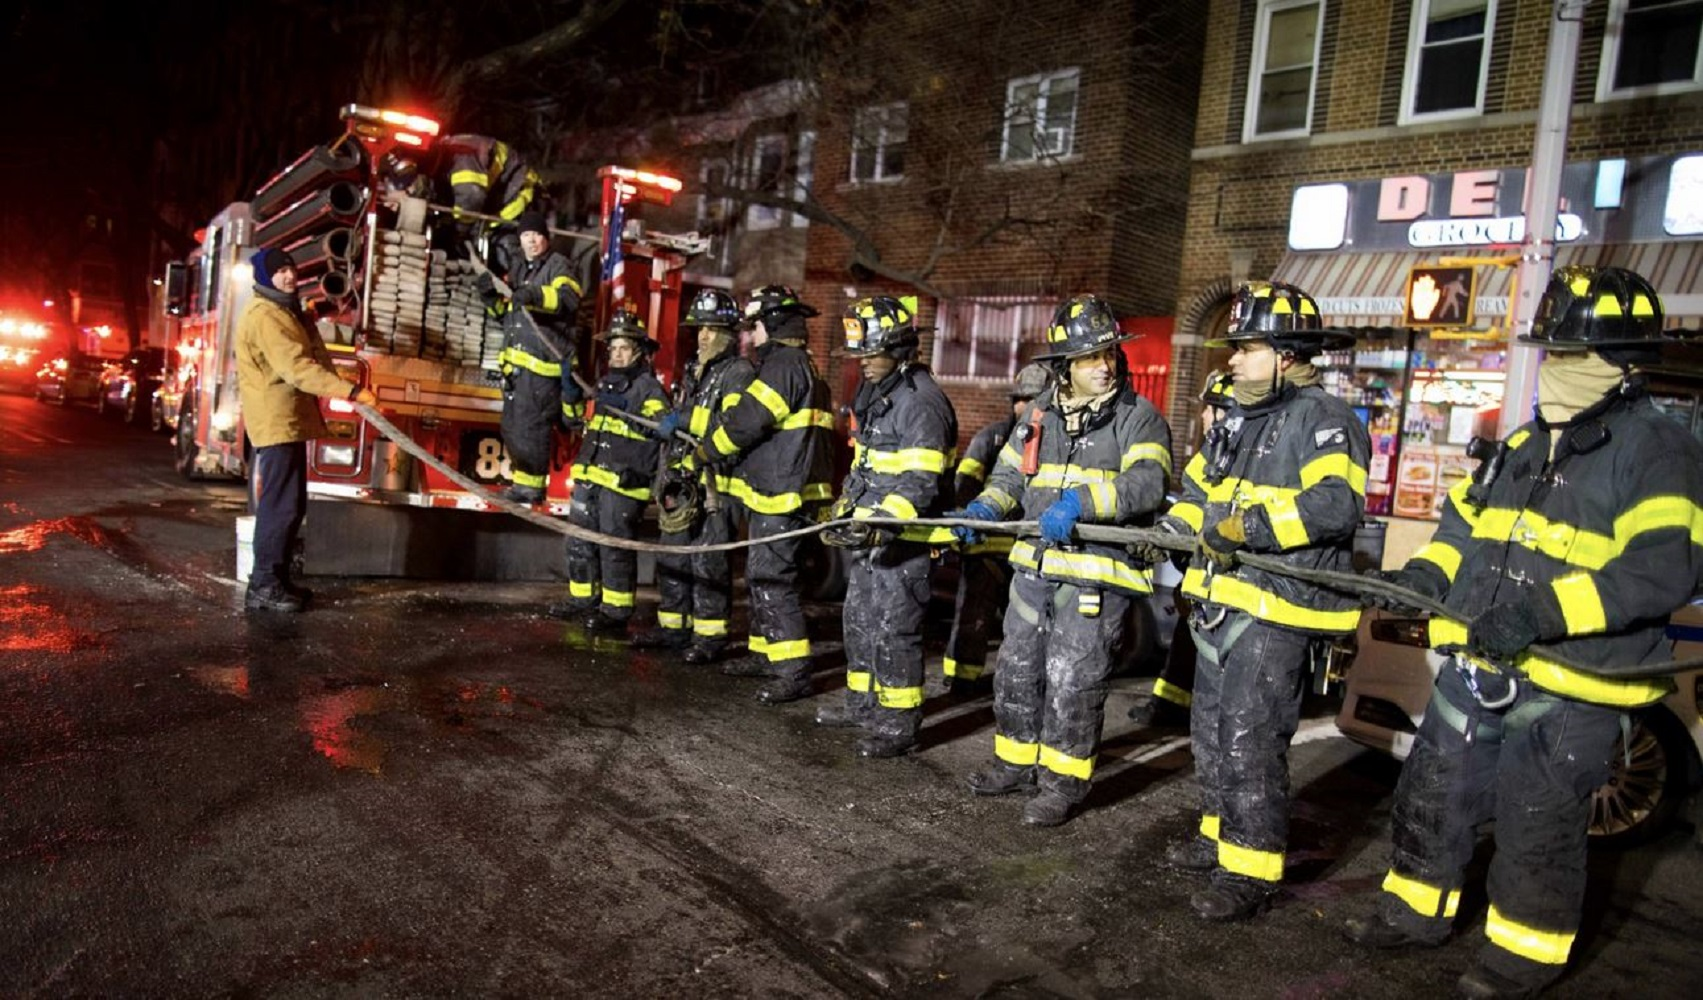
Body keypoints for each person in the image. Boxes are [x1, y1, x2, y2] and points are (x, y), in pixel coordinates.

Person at [1343, 266, 1703, 998]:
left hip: (1570, 681)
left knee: (1537, 825)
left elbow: (1662, 570)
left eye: (1571, 356)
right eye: (1551, 354)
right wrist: (1428, 577)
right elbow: (1464, 527)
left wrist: (1543, 613)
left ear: (1622, 366)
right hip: (1478, 660)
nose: (1553, 370)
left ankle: (1519, 962)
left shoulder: (1658, 451)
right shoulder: (1524, 442)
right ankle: (1412, 914)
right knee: (1432, 795)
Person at [1156, 281, 1367, 922]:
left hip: (1279, 609)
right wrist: (1171, 529)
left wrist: (1243, 528)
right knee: (1213, 733)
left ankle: (1250, 869)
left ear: (1285, 352)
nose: (1232, 360)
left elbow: (1336, 506)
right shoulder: (1241, 419)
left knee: (1249, 740)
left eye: (1245, 348)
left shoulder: (1325, 419)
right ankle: (1221, 834)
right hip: (1222, 605)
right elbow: (1197, 491)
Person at [952, 294, 1173, 826]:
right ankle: (1014, 762)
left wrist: (1082, 503)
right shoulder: (1038, 416)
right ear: (1063, 367)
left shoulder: (1139, 418)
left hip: (1095, 575)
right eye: (1090, 357)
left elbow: (1147, 483)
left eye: (1110, 354)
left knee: (1074, 679)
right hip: (1034, 569)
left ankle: (1062, 783)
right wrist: (985, 507)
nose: (1105, 365)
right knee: (1017, 669)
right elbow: (1010, 477)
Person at [816, 296, 958, 757]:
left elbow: (921, 478)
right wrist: (846, 503)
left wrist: (883, 521)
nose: (865, 364)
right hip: (871, 536)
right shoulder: (878, 394)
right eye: (861, 355)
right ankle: (863, 704)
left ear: (898, 350)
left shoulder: (922, 402)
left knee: (895, 628)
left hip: (906, 541)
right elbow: (867, 460)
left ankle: (898, 724)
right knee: (858, 620)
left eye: (872, 354)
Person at [693, 285, 835, 704]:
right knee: (761, 576)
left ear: (770, 325)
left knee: (773, 581)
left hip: (781, 494)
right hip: (781, 489)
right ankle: (764, 654)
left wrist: (707, 450)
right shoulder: (797, 364)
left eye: (752, 326)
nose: (748, 336)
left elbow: (748, 421)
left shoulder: (784, 366)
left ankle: (793, 671)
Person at [234, 247, 377, 612]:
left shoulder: (283, 311)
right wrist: (350, 390)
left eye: (291, 270)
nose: (288, 276)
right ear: (265, 278)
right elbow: (296, 367)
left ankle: (275, 580)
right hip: (277, 421)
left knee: (290, 505)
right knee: (280, 507)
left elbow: (309, 354)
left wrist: (307, 319)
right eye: (280, 271)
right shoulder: (266, 316)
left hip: (288, 421)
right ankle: (264, 584)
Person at [631, 289, 755, 663]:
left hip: (717, 484)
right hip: (685, 478)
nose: (703, 336)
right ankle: (673, 628)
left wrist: (682, 420)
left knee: (708, 562)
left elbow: (731, 425)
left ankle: (709, 637)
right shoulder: (697, 371)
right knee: (673, 557)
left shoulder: (739, 373)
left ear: (730, 334)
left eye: (712, 329)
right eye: (700, 328)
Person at [1127, 369, 1235, 729]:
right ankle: (1170, 704)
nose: (1203, 416)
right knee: (1189, 637)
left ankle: (1193, 714)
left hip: (1235, 581)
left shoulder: (1247, 455)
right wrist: (1169, 533)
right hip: (1206, 574)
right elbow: (1194, 500)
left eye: (1211, 408)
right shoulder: (1214, 453)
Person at [942, 362, 1052, 696]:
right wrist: (967, 520)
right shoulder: (991, 438)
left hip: (1028, 552)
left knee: (1027, 626)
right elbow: (965, 484)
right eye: (1022, 399)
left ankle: (1020, 684)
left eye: (1034, 399)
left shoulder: (1054, 443)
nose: (1027, 406)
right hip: (987, 548)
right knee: (973, 616)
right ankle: (962, 677)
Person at [559, 313, 670, 633]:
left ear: (639, 351)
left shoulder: (649, 389)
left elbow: (659, 430)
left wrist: (624, 406)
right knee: (579, 542)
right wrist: (569, 392)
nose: (617, 354)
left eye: (624, 348)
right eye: (613, 349)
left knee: (614, 548)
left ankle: (616, 611)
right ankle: (582, 600)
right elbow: (574, 421)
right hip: (592, 476)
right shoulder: (604, 383)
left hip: (623, 484)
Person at [489, 211, 581, 507]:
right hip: (518, 369)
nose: (531, 240)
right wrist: (491, 299)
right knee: (513, 427)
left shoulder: (559, 266)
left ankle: (532, 489)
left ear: (546, 238)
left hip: (543, 369)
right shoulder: (521, 269)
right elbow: (510, 316)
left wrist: (534, 295)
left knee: (530, 428)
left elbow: (568, 299)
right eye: (526, 235)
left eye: (537, 235)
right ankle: (522, 484)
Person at [383, 135, 542, 275]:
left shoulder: (461, 157)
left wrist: (459, 233)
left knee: (503, 250)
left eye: (410, 187)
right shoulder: (438, 166)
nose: (411, 190)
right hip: (492, 204)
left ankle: (525, 284)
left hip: (517, 198)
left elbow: (471, 198)